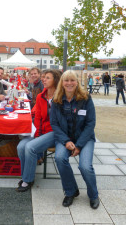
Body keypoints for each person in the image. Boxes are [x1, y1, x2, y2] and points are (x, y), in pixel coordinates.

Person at [50, 70, 99, 209]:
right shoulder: (56, 99)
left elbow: (91, 123)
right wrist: (66, 141)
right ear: (62, 83)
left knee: (85, 166)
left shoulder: (85, 98)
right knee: (59, 158)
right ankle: (71, 191)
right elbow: (54, 123)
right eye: (66, 80)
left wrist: (78, 145)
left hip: (85, 138)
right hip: (65, 138)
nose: (69, 83)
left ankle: (93, 195)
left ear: (77, 82)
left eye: (72, 80)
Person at [16, 70, 62, 192]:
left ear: (56, 80)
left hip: (55, 132)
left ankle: (28, 180)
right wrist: (36, 135)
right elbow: (38, 118)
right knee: (21, 147)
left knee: (30, 147)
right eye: (43, 77)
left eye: (47, 78)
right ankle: (26, 175)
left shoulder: (61, 97)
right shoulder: (41, 96)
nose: (43, 80)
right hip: (40, 131)